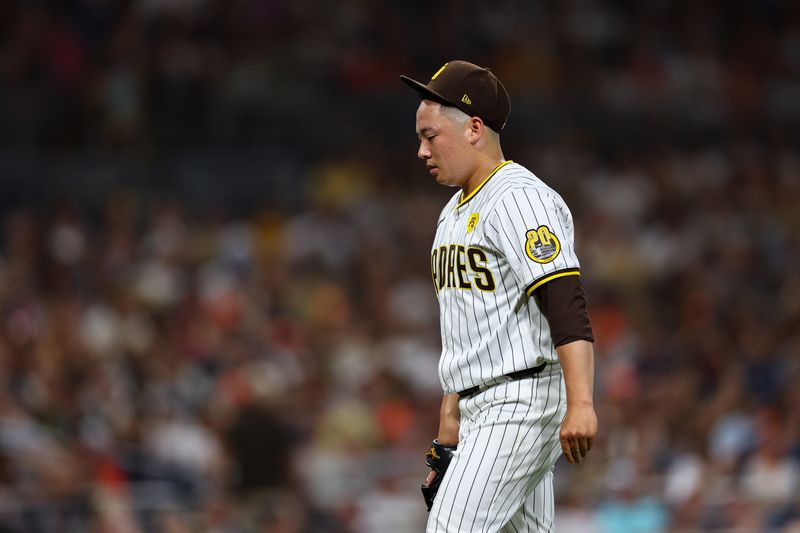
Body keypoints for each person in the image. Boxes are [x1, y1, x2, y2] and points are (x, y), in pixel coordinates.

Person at [400, 60, 598, 532]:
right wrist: (449, 430)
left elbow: (565, 301)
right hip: (481, 406)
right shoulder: (452, 212)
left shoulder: (518, 197)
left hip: (521, 400)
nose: (421, 151)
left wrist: (583, 403)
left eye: (431, 136)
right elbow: (464, 326)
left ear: (473, 128)